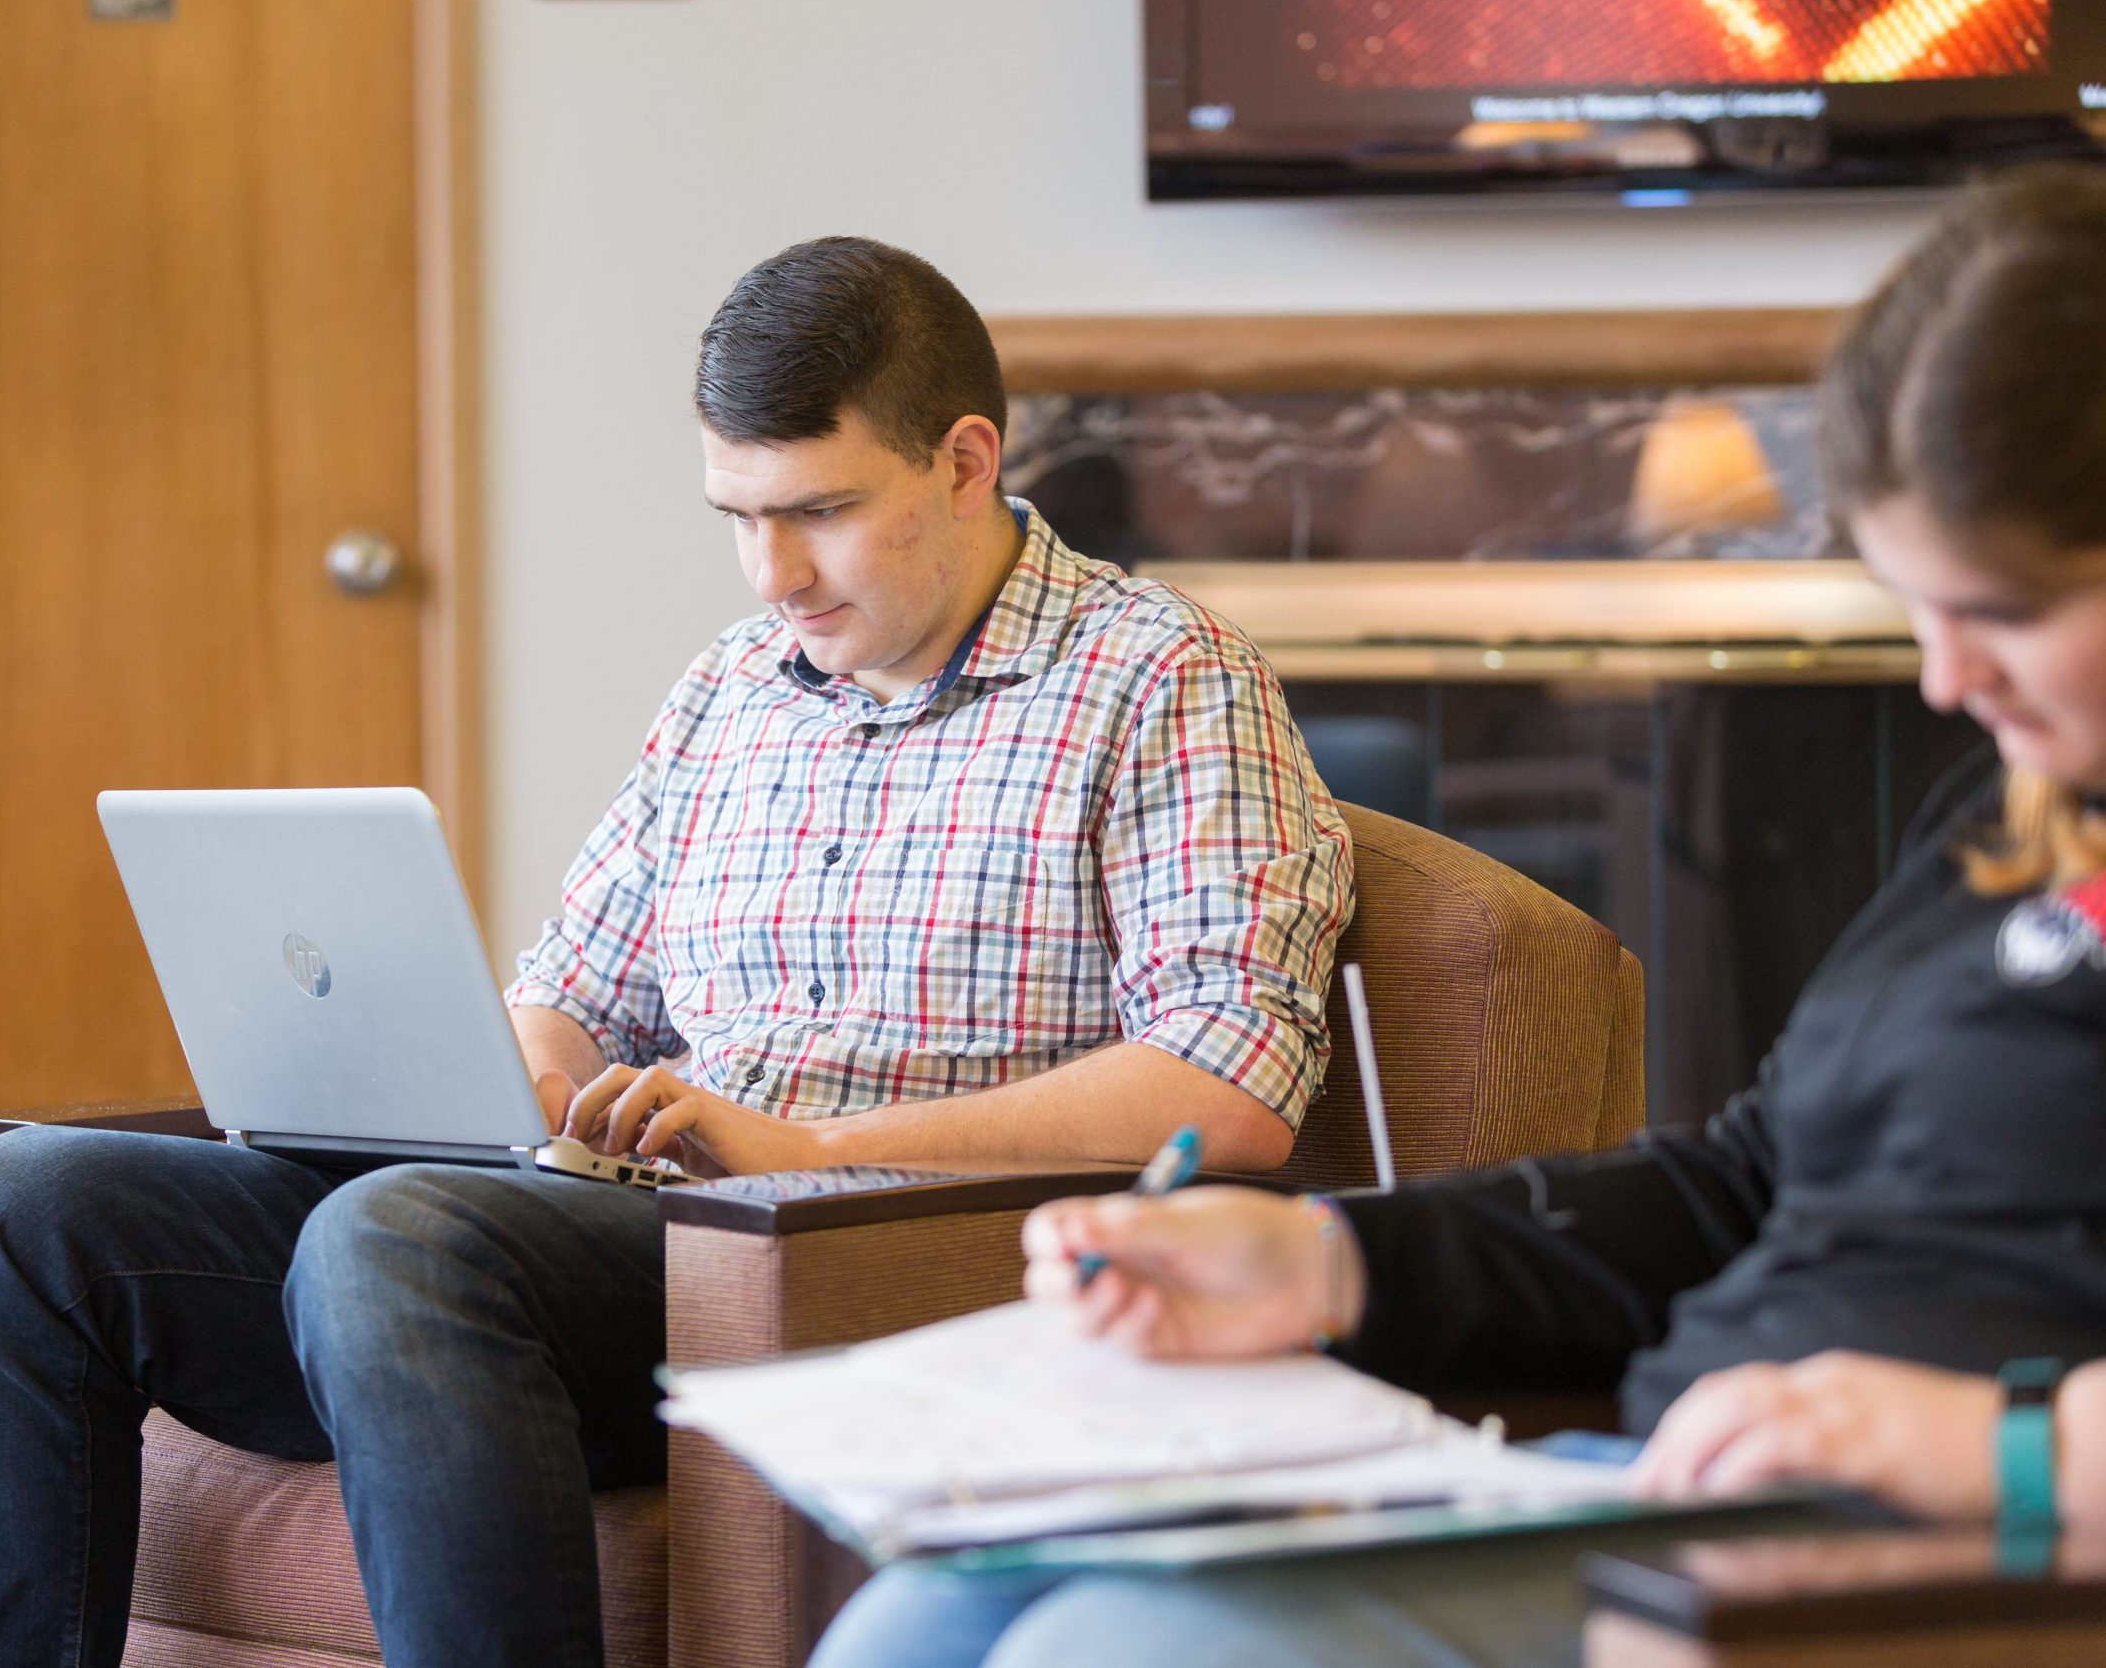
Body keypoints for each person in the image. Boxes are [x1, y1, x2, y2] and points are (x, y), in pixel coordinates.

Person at [0, 236, 1353, 1667]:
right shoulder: (731, 690)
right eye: (738, 515)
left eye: (821, 511)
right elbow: (571, 999)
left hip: (877, 1264)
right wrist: (520, 1090)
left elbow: (1226, 1086)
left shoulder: (1164, 679)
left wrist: (796, 1148)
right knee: (26, 1210)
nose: (772, 570)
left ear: (967, 460)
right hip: (627, 1245)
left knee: (395, 1238)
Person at [807, 169, 2106, 1668]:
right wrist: (1333, 1265)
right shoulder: (2015, 811)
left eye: (2002, 611)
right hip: (1669, 1493)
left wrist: (1998, 1446)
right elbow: (1748, 1185)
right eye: (1914, 609)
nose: (1947, 682)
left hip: (1952, 1570)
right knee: (922, 1613)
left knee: (1102, 1651)